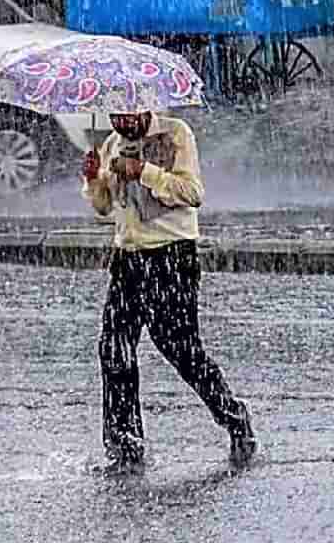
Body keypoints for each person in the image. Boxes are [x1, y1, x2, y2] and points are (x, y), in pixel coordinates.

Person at [81, 111, 256, 475]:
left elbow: (192, 193)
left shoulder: (176, 134)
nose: (120, 121)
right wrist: (94, 178)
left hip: (170, 257)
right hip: (127, 259)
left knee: (181, 351)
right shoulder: (113, 143)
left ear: (144, 107)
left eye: (127, 113)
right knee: (114, 349)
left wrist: (142, 170)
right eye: (114, 114)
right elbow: (104, 207)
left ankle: (234, 417)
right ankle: (124, 447)